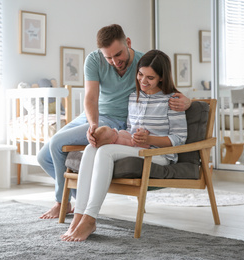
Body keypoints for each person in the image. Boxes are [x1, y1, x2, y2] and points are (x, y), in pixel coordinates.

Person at [37, 24, 191, 219]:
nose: (114, 61)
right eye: (108, 57)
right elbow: (91, 98)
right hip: (95, 116)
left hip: (119, 122)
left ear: (128, 43)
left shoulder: (142, 63)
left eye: (118, 55)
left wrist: (188, 100)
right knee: (43, 156)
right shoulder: (94, 59)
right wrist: (93, 124)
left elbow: (164, 85)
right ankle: (78, 199)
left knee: (58, 143)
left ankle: (63, 202)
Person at [61, 49, 188, 242]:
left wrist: (150, 140)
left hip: (159, 154)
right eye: (140, 75)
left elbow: (179, 138)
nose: (143, 81)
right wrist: (118, 135)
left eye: (150, 78)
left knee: (105, 152)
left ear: (162, 78)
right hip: (137, 149)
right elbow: (131, 129)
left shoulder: (173, 101)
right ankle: (79, 215)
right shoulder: (133, 98)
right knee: (90, 148)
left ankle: (90, 218)